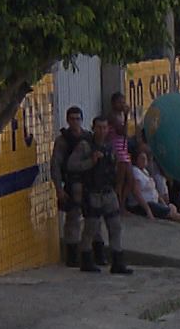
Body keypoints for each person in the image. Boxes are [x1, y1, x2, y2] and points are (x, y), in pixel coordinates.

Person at [70, 116, 132, 274]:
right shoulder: (85, 146)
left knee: (115, 226)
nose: (102, 131)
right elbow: (71, 165)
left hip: (108, 192)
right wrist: (90, 162)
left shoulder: (109, 147)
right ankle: (86, 259)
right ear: (93, 128)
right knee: (91, 228)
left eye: (105, 127)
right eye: (99, 127)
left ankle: (118, 262)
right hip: (93, 193)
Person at [50, 107, 94, 267]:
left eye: (78, 119)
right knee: (73, 220)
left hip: (88, 184)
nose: (75, 122)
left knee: (92, 218)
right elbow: (56, 165)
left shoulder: (88, 137)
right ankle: (72, 255)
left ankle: (90, 253)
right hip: (71, 183)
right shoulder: (62, 140)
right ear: (68, 120)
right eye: (72, 119)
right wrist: (59, 188)